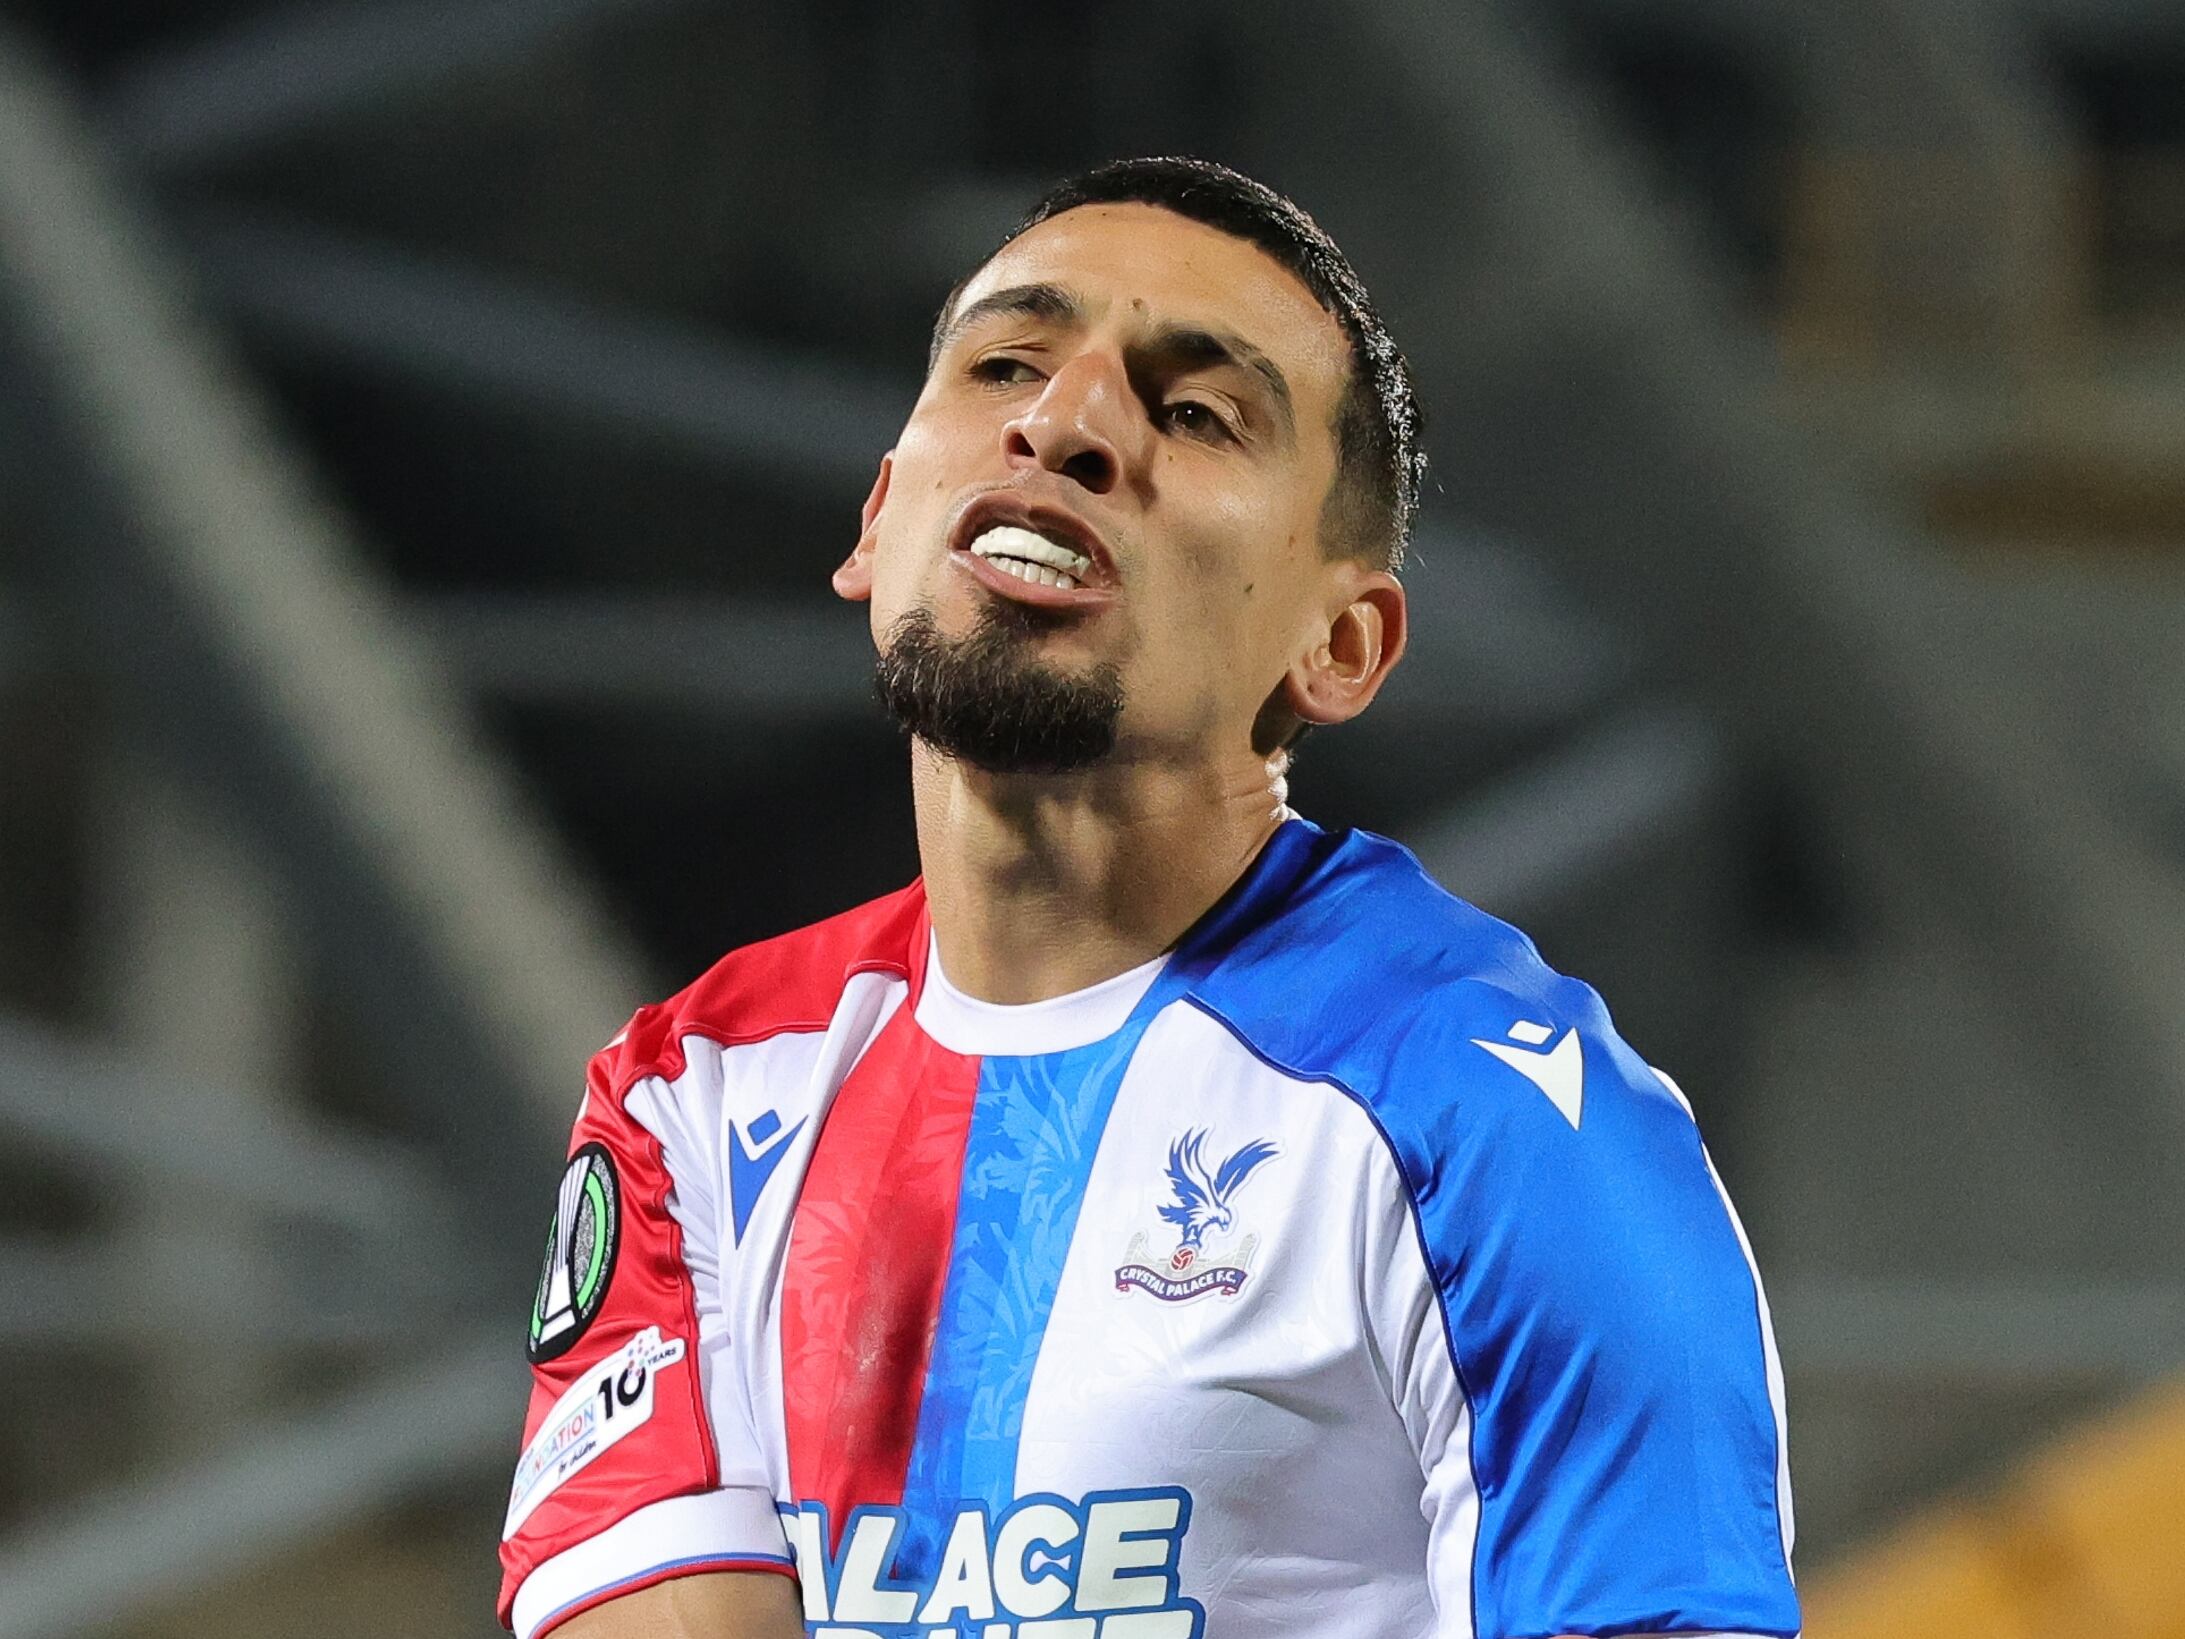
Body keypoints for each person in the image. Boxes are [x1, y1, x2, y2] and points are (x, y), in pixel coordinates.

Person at [495, 156, 1798, 1639]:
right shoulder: (697, 1093)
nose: (1065, 424)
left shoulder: (1495, 1118)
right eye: (1004, 366)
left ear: (1343, 646)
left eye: (1195, 413)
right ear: (877, 522)